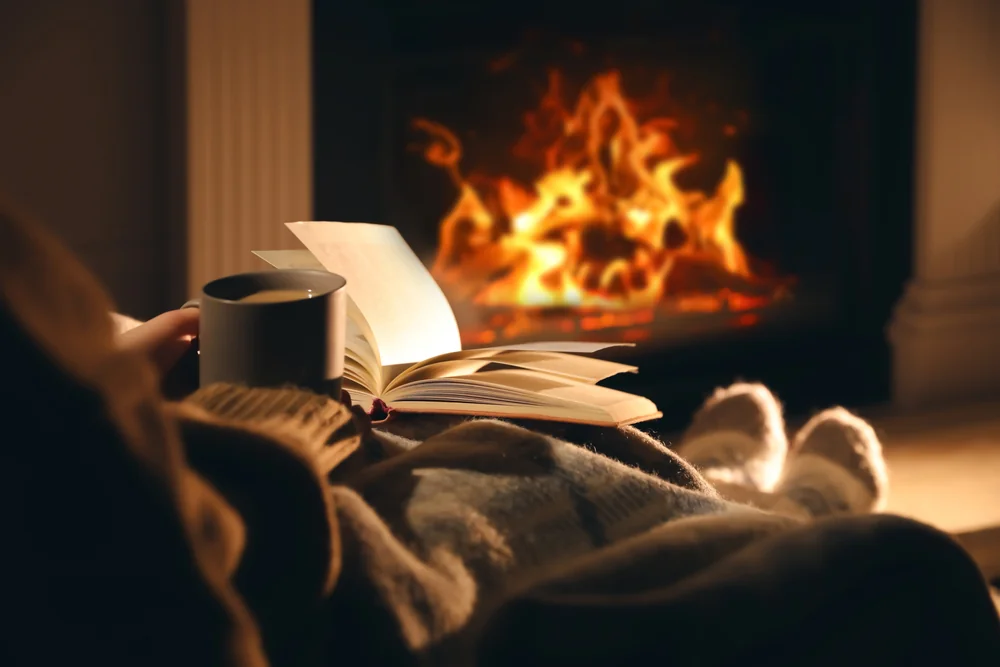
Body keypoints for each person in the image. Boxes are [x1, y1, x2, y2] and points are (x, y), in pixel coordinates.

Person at [2, 196, 998, 667]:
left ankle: (728, 495)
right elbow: (174, 572)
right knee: (899, 571)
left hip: (207, 483)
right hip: (298, 569)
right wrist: (292, 406)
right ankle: (782, 504)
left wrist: (121, 381)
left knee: (495, 434)